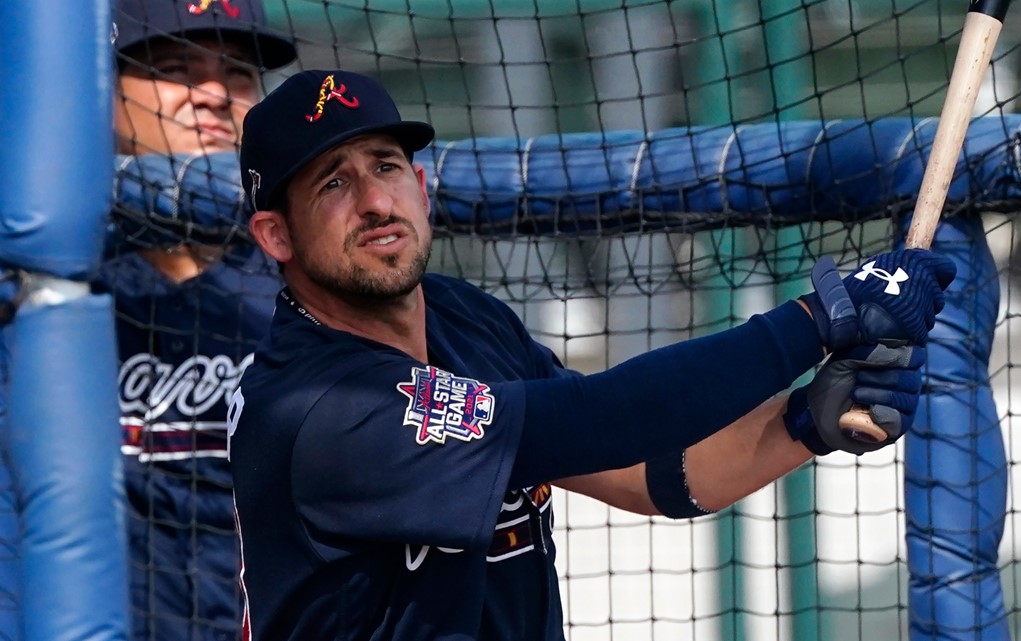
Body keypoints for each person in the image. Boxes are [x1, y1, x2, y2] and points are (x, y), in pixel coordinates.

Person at [227, 68, 957, 641]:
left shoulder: (463, 319)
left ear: (419, 187)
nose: (374, 201)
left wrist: (807, 422)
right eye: (332, 183)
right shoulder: (315, 406)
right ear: (276, 236)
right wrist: (818, 319)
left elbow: (653, 471)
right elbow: (596, 419)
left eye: (385, 166)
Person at [100, 1, 296, 639]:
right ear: (102, 92)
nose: (213, 94)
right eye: (178, 68)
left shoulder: (317, 279)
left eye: (237, 74)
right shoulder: (46, 282)